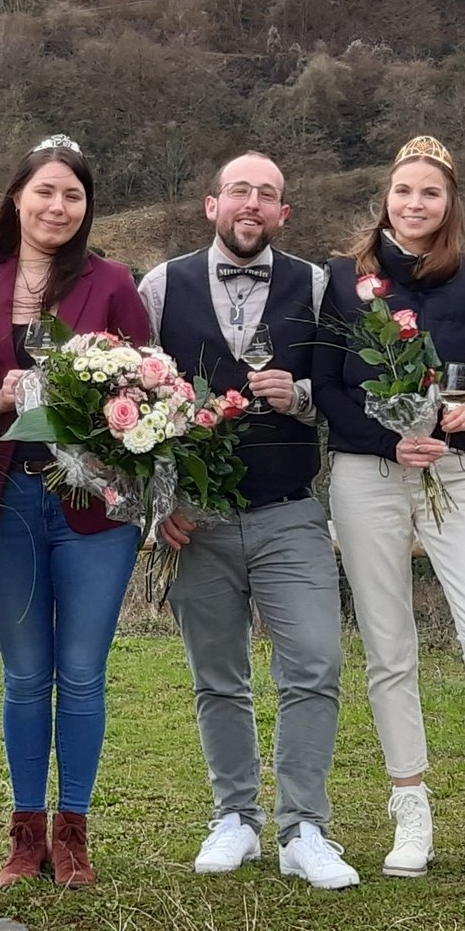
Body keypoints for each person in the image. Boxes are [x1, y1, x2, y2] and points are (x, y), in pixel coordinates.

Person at [140, 152, 358, 890]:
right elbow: (134, 404)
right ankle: (235, 817)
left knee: (317, 667)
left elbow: (341, 388)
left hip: (290, 511)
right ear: (213, 204)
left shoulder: (320, 285)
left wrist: (296, 394)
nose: (253, 203)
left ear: (283, 214)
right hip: (194, 519)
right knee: (218, 677)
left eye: (268, 195)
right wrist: (156, 503)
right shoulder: (161, 286)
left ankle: (305, 829)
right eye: (241, 190)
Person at [312, 136, 465, 888]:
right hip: (367, 474)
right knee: (390, 645)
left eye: (430, 193)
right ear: (386, 197)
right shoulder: (344, 280)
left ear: (449, 202)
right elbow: (328, 387)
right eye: (404, 191)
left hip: (457, 475)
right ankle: (411, 808)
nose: (415, 204)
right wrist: (385, 439)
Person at [0, 134, 150, 888]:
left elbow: (149, 389)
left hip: (92, 503)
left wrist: (104, 413)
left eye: (72, 195)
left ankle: (74, 834)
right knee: (26, 674)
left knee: (83, 673)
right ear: (18, 198)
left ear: (86, 208)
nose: (57, 206)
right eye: (45, 191)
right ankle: (25, 834)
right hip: (6, 496)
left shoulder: (113, 282)